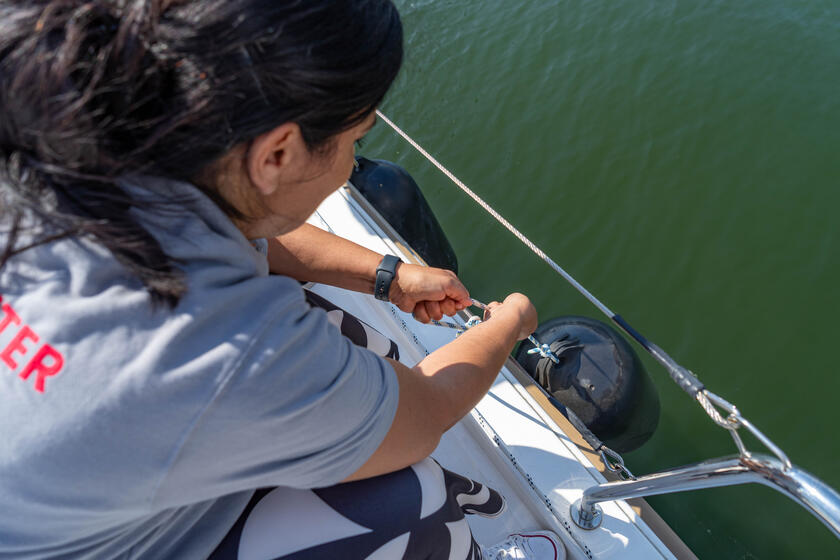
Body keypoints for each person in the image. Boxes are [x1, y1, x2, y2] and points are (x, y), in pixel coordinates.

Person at [0, 1, 565, 558]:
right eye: (355, 141)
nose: (351, 164)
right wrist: (510, 322)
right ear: (276, 153)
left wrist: (388, 276)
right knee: (402, 499)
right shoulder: (219, 351)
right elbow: (427, 413)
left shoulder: (65, 148)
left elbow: (236, 224)